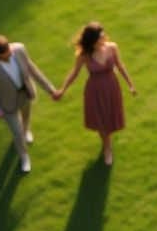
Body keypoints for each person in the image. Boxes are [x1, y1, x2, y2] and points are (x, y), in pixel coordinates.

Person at [54, 22, 136, 165]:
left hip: (112, 87)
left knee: (110, 116)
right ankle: (107, 148)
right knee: (101, 119)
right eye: (100, 39)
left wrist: (130, 84)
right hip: (95, 90)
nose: (103, 40)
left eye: (103, 36)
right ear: (92, 41)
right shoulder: (84, 55)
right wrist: (63, 89)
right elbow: (74, 73)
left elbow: (120, 66)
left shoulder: (112, 48)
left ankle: (107, 140)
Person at [0, 35, 58, 173]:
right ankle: (24, 157)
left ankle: (27, 130)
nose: (10, 53)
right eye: (6, 54)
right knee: (16, 131)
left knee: (26, 118)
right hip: (7, 103)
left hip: (26, 94)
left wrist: (50, 89)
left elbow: (32, 70)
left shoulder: (19, 49)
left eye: (9, 49)